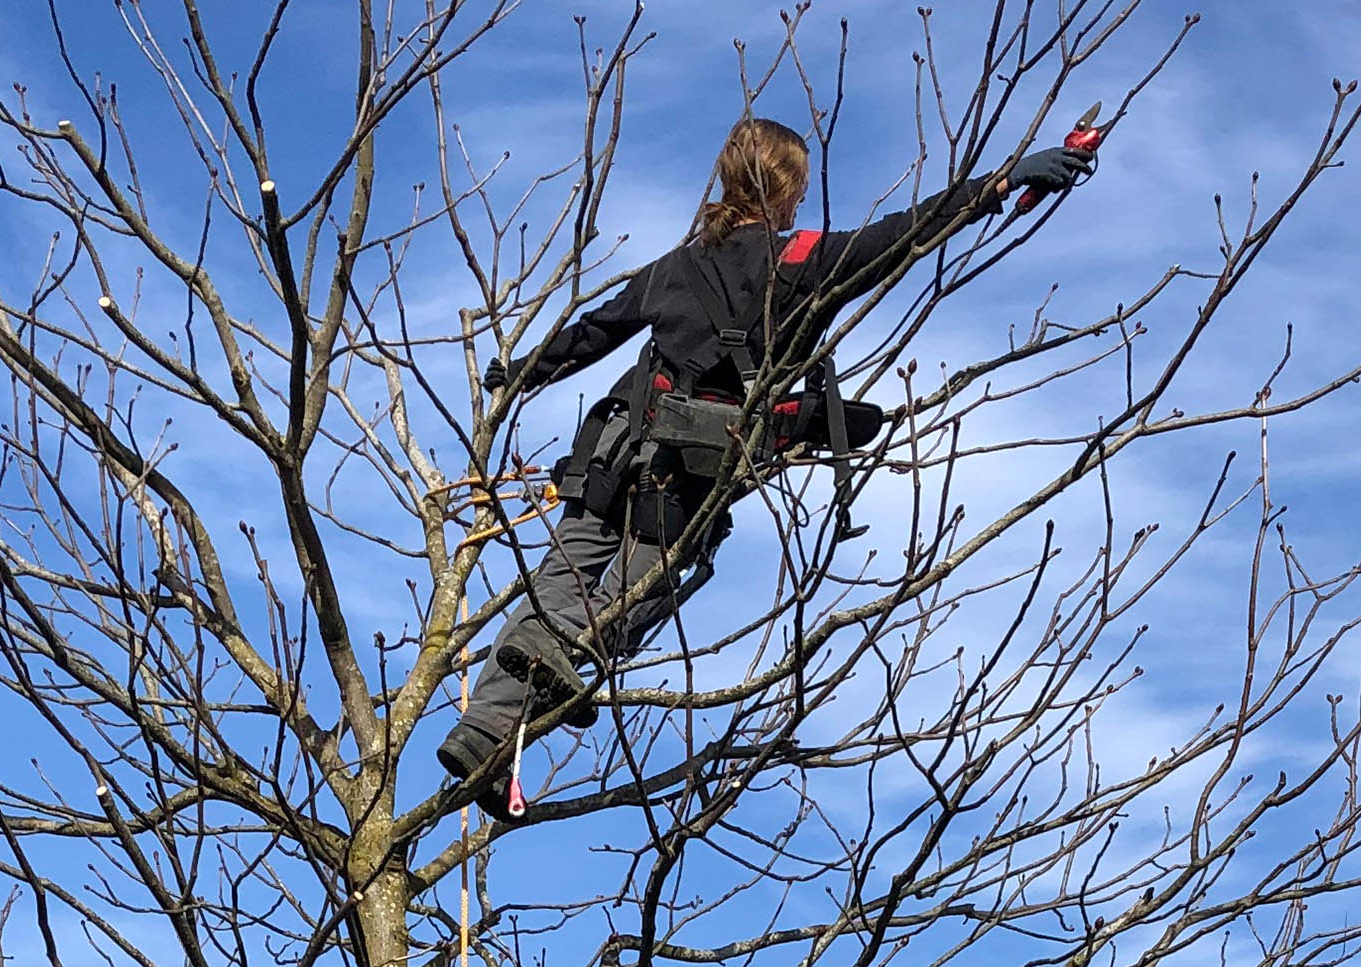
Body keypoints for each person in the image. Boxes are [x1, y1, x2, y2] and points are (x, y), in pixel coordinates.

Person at [436, 115, 1100, 808]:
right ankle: (530, 692)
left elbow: (595, 332)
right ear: (784, 191)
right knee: (627, 603)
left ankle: (484, 731)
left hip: (611, 452)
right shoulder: (802, 260)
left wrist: (521, 373)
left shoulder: (675, 266)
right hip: (686, 474)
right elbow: (910, 229)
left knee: (556, 585)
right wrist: (1002, 183)